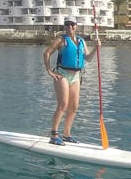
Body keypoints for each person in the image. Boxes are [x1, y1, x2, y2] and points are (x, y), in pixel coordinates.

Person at [43, 17, 100, 146]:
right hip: (62, 74)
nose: (70, 27)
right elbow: (46, 54)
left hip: (76, 76)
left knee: (74, 107)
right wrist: (49, 71)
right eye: (67, 25)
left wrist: (96, 48)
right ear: (65, 26)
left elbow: (88, 59)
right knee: (63, 104)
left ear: (76, 26)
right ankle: (54, 135)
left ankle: (66, 134)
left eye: (72, 24)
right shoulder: (60, 40)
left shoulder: (81, 41)